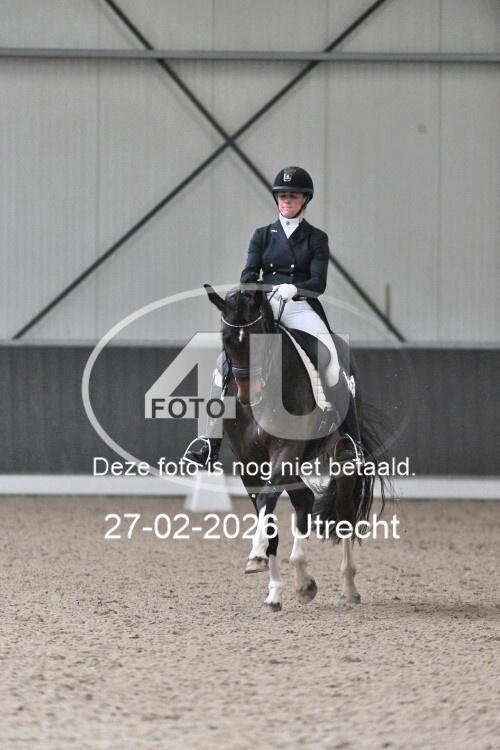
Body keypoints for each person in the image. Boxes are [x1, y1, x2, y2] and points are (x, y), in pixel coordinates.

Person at [181, 166, 363, 468]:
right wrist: (257, 290)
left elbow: (318, 283)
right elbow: (248, 273)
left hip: (301, 306)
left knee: (330, 361)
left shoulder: (316, 238)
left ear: (305, 200)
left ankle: (350, 443)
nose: (287, 201)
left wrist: (295, 289)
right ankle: (208, 442)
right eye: (282, 196)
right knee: (222, 365)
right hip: (265, 306)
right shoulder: (262, 236)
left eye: (293, 196)